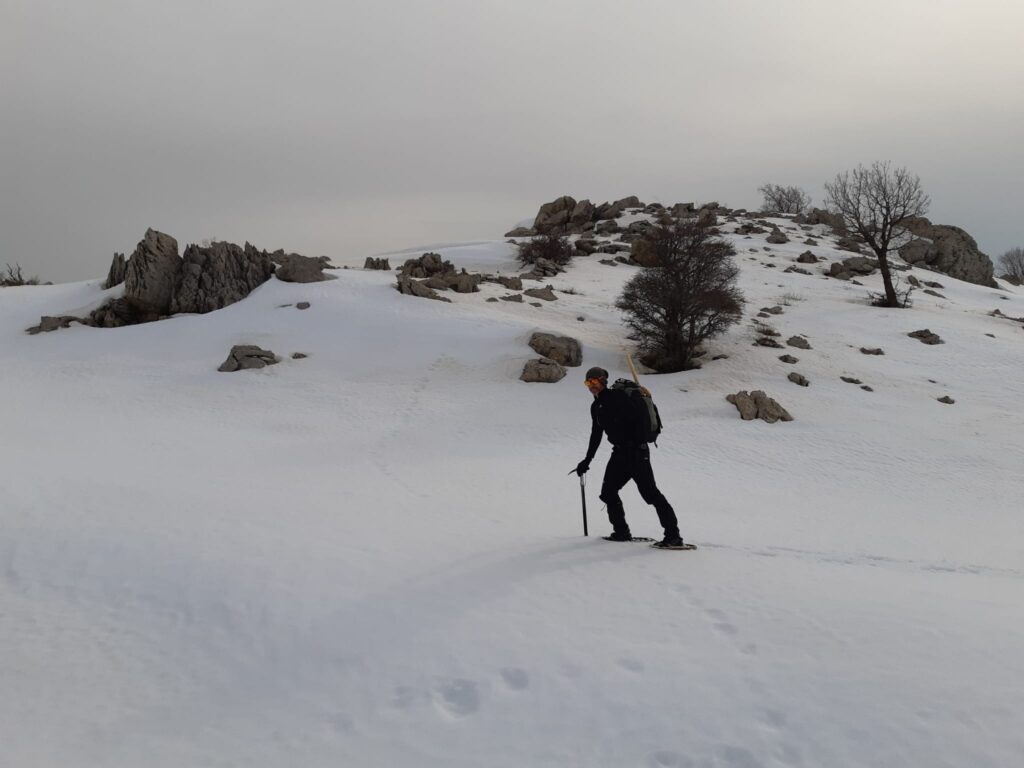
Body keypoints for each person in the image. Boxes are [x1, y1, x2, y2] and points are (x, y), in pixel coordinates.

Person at [575, 366, 684, 547]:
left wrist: (639, 444)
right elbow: (596, 434)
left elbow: (638, 419)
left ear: (603, 381)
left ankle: (674, 536)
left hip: (636, 453)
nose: (591, 385)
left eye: (594, 381)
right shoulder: (596, 406)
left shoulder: (618, 397)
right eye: (588, 382)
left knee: (651, 495)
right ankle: (621, 532)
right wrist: (587, 460)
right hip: (619, 454)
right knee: (608, 493)